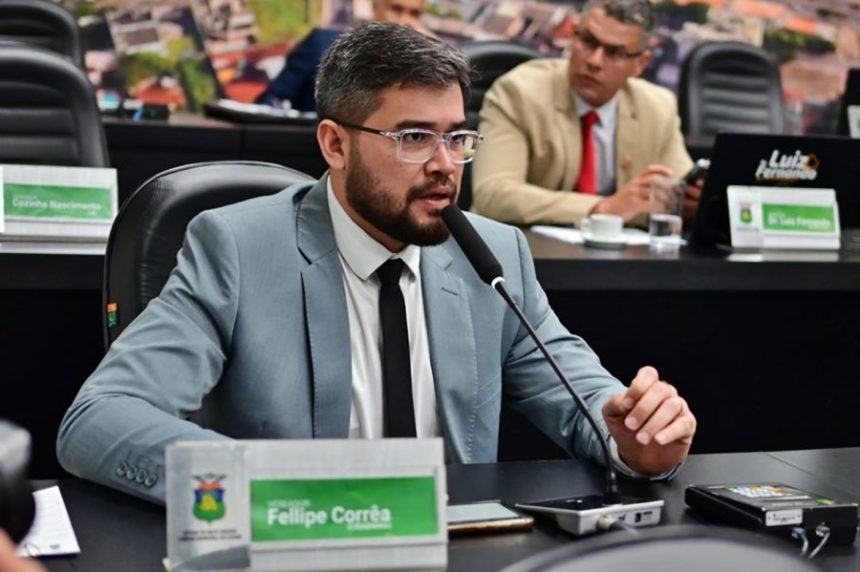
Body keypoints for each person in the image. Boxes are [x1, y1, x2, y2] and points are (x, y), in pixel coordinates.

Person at [57, 23, 696, 504]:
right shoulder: (238, 249)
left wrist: (636, 440)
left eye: (457, 137)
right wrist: (279, 490)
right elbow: (99, 420)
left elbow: (587, 400)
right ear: (335, 144)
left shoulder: (493, 255)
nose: (445, 164)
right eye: (413, 138)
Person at [471, 0, 699, 227]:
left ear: (640, 63)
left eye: (614, 53)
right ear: (573, 36)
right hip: (523, 244)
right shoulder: (519, 92)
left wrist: (689, 204)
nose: (594, 61)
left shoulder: (658, 107)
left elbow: (678, 187)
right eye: (588, 42)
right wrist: (603, 208)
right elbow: (494, 194)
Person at [255, 0, 430, 112]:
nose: (405, 21)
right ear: (375, 8)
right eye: (396, 9)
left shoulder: (420, 67)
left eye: (414, 14)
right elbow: (268, 105)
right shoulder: (322, 46)